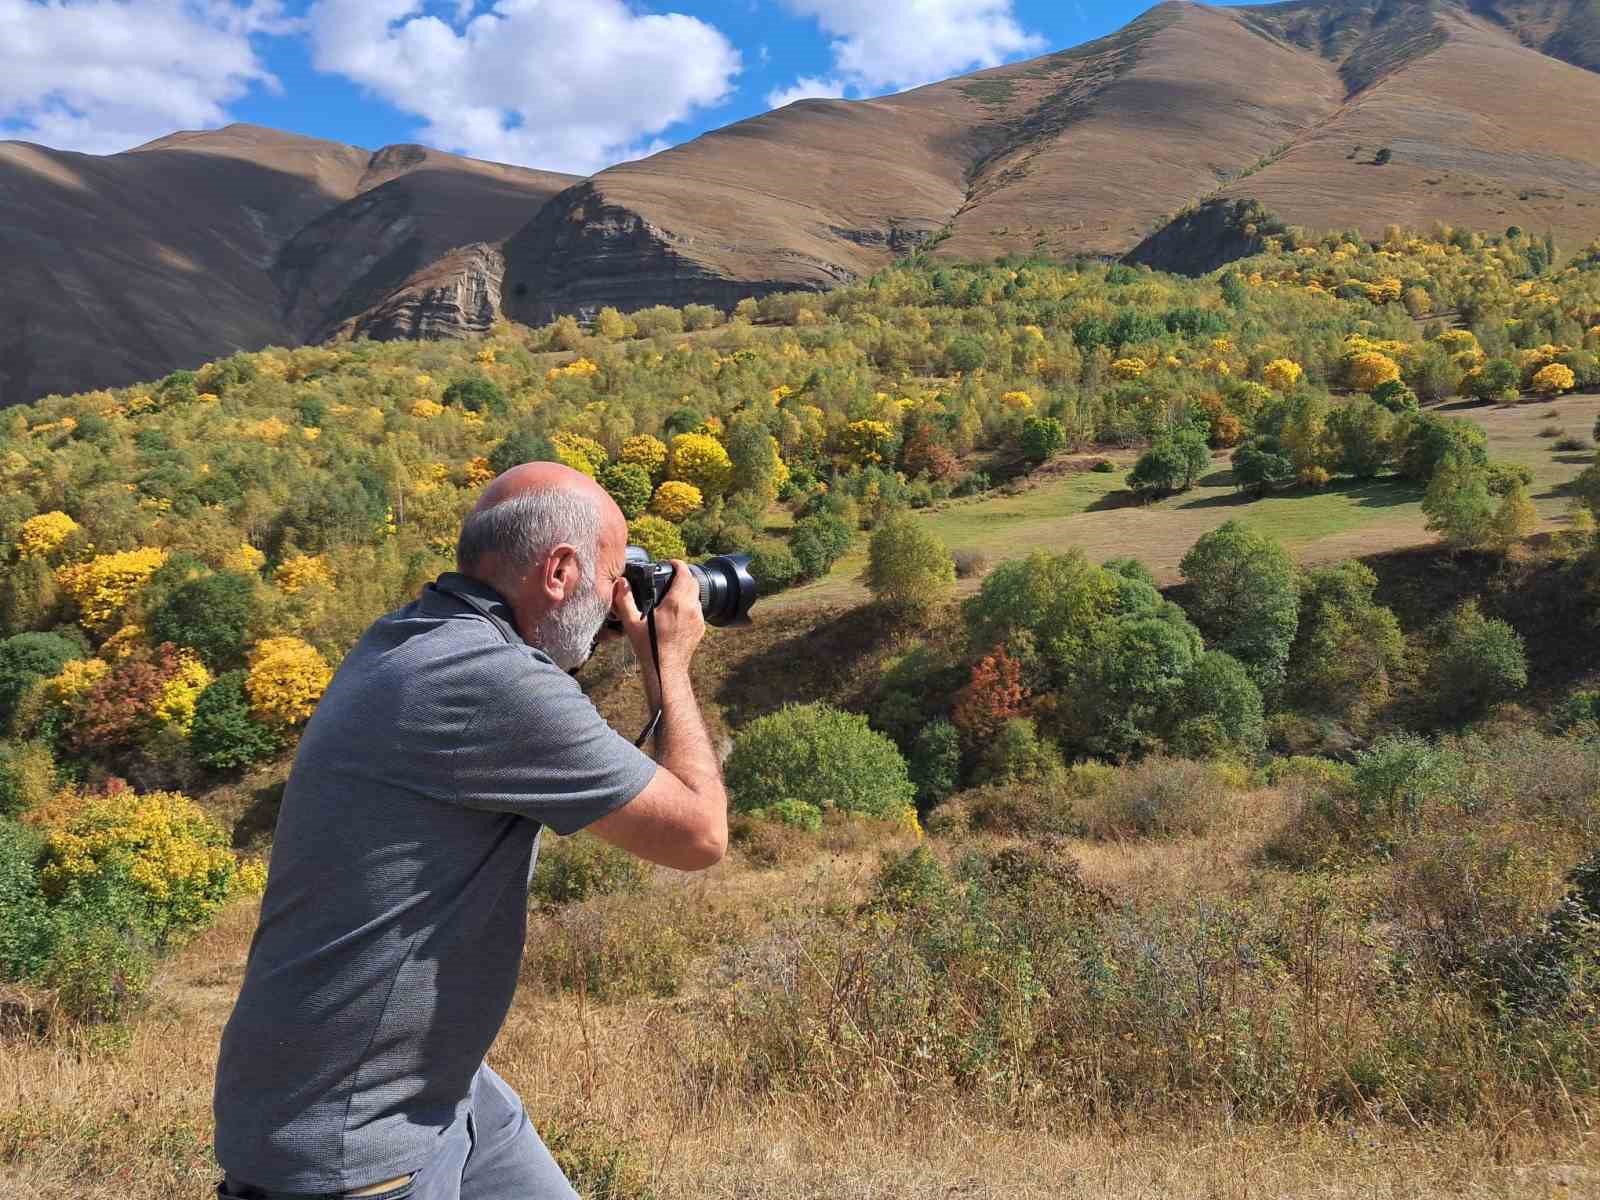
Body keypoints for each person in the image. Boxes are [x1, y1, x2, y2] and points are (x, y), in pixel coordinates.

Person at [213, 461, 727, 1200]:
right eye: (612, 577)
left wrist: (584, 637)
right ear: (559, 570)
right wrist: (669, 665)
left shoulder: (414, 636)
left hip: (433, 1089)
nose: (619, 600)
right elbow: (700, 835)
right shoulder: (489, 681)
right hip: (355, 1141)